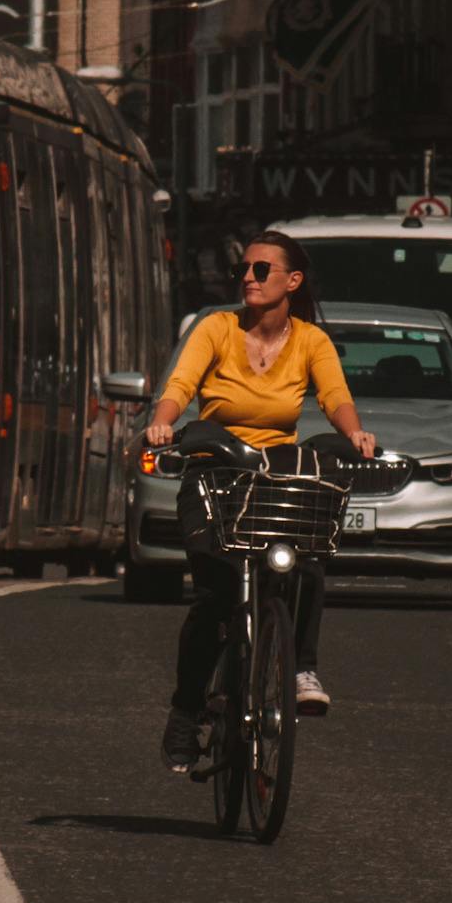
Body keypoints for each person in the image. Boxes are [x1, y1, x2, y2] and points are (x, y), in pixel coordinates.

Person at [145, 232, 376, 768]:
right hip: (213, 470)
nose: (248, 277)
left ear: (292, 282)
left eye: (261, 269)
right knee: (213, 592)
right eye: (244, 269)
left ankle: (300, 668)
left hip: (274, 476)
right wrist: (163, 423)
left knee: (306, 561)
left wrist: (356, 433)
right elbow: (181, 384)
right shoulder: (217, 329)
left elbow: (335, 396)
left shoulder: (311, 340)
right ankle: (186, 711)